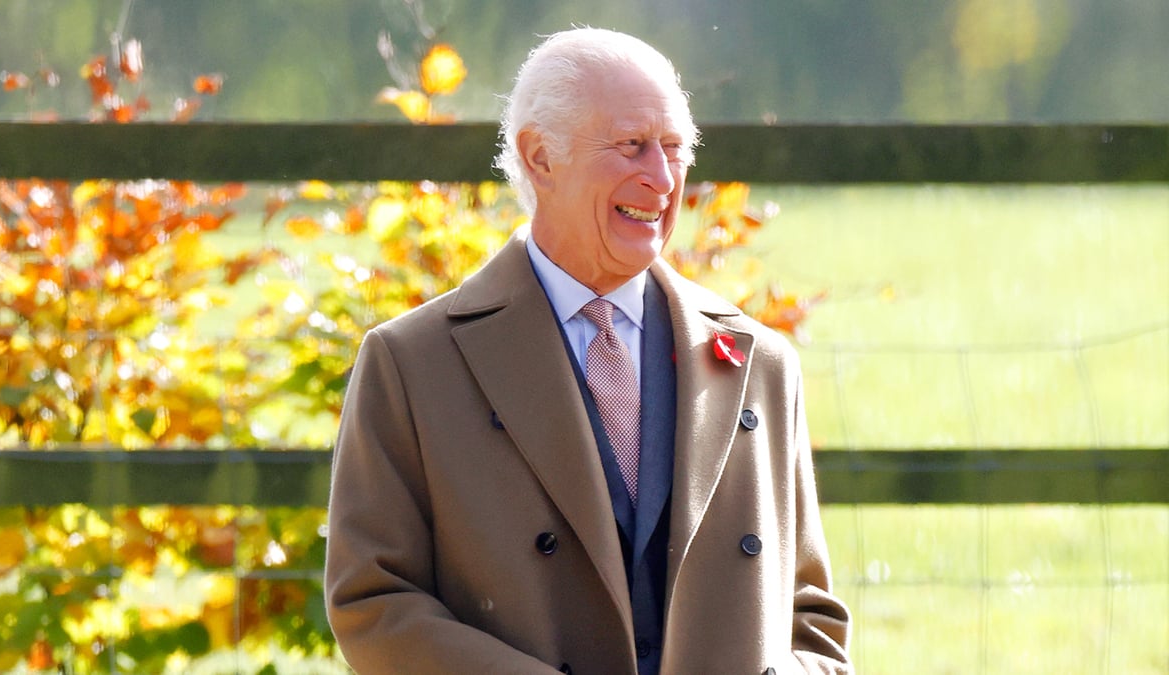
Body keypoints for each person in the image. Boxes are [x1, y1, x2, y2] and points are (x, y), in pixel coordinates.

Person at [324, 27, 852, 675]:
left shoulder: (760, 364)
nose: (661, 179)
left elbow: (812, 617)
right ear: (540, 157)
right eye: (631, 146)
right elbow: (373, 601)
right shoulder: (411, 364)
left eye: (674, 148)